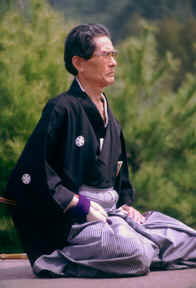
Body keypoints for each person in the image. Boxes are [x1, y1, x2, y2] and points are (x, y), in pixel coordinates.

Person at [6, 24, 196, 278]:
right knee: (135, 253)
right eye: (105, 55)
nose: (114, 62)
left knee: (190, 241)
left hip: (115, 216)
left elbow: (119, 178)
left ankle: (143, 245)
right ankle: (61, 259)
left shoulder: (110, 118)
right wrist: (80, 204)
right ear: (79, 63)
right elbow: (31, 175)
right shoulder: (61, 109)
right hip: (79, 223)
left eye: (114, 55)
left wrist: (127, 204)